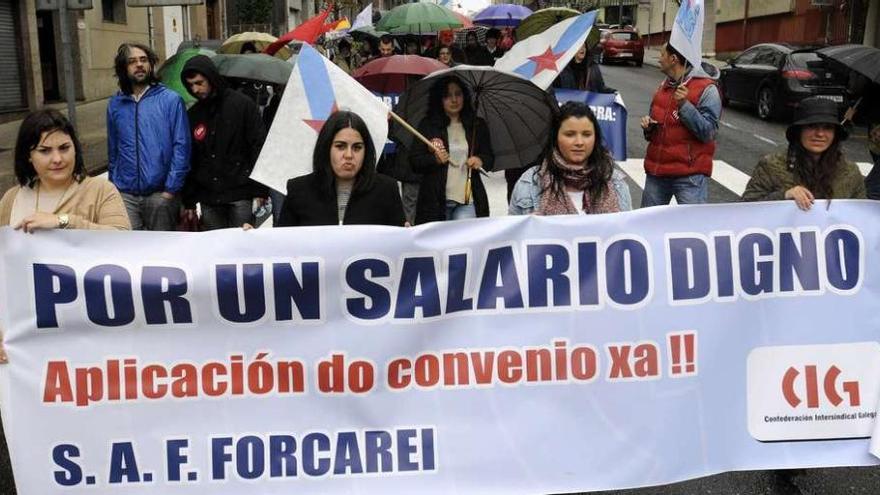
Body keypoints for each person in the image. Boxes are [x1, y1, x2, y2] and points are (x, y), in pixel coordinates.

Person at [1, 109, 131, 231]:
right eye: (45, 151)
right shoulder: (12, 197)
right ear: (28, 155)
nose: (57, 159)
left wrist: (64, 221)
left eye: (64, 148)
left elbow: (122, 240)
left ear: (75, 148)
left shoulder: (101, 190)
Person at [107, 42, 191, 230]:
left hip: (160, 194)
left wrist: (170, 190)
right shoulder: (115, 104)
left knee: (162, 253)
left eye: (143, 60)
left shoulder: (170, 100)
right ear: (123, 68)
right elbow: (113, 149)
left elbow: (182, 147)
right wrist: (114, 187)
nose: (139, 65)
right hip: (125, 194)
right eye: (132, 61)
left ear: (151, 64)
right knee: (130, 252)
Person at [180, 55, 268, 230]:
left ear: (211, 78)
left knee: (243, 249)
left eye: (199, 82)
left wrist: (260, 189)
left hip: (240, 193)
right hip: (209, 196)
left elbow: (258, 147)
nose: (195, 89)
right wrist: (189, 199)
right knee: (215, 251)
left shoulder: (242, 105)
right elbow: (191, 158)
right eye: (190, 85)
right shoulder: (193, 114)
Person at [277, 111, 405, 227]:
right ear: (326, 148)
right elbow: (281, 244)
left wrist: (405, 238)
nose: (349, 155)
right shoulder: (298, 190)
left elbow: (398, 246)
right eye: (340, 146)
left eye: (357, 148)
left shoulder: (387, 190)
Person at [509, 102, 631, 215]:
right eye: (570, 134)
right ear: (555, 137)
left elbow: (625, 233)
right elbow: (514, 235)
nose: (579, 142)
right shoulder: (529, 183)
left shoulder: (616, 183)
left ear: (596, 138)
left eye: (586, 134)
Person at [742, 96, 866, 207]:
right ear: (799, 131)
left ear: (835, 134)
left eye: (827, 128)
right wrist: (784, 195)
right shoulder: (770, 166)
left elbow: (861, 214)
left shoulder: (850, 173)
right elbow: (746, 208)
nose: (820, 134)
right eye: (812, 126)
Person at [639, 42, 721, 207]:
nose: (659, 59)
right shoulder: (663, 86)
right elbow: (656, 130)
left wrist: (684, 105)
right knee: (648, 227)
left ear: (673, 59)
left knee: (693, 228)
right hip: (657, 173)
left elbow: (708, 132)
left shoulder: (707, 89)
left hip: (689, 177)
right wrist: (649, 127)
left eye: (662, 55)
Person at [410, 76, 494, 223]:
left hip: (468, 200)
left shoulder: (477, 125)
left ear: (465, 96)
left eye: (458, 94)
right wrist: (434, 160)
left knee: (465, 243)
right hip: (435, 202)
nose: (454, 100)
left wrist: (479, 160)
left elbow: (489, 158)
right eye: (447, 95)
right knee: (438, 245)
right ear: (439, 100)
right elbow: (414, 161)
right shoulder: (428, 125)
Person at [842, 72, 880, 199]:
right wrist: (854, 108)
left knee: (872, 190)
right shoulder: (874, 81)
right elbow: (866, 96)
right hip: (875, 124)